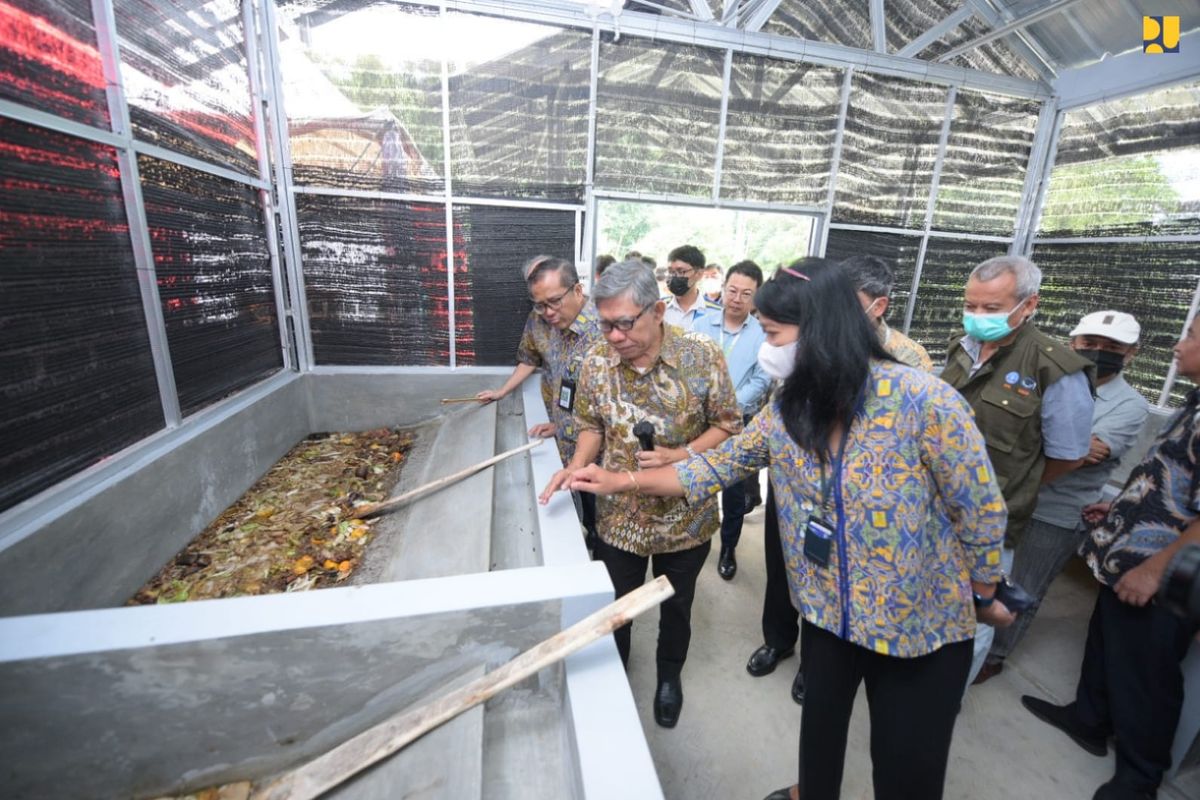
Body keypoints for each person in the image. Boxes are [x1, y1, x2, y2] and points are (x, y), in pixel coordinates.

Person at [568, 258, 1013, 800]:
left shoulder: (924, 401)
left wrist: (984, 592)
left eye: (773, 333)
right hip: (825, 610)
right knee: (820, 734)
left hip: (915, 622)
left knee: (905, 764)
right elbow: (716, 465)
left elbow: (982, 511)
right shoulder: (789, 407)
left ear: (822, 332)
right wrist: (618, 481)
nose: (765, 345)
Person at [538, 259, 742, 729]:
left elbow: (729, 426)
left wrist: (683, 453)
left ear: (657, 311)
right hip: (618, 518)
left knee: (677, 608)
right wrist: (576, 465)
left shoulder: (702, 356)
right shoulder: (596, 360)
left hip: (684, 520)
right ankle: (615, 681)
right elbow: (591, 424)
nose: (613, 337)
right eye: (606, 324)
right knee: (618, 608)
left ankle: (669, 677)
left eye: (624, 324)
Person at [1022, 314, 1200, 800]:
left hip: (1164, 569)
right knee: (1107, 642)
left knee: (1148, 670)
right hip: (1126, 546)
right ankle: (1088, 719)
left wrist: (1153, 569)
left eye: (1189, 335)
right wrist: (1123, 504)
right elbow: (1172, 482)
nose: (1177, 345)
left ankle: (1139, 777)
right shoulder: (1195, 402)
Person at [939, 255, 1095, 686]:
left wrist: (1015, 487)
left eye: (991, 309)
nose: (977, 317)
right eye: (971, 306)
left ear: (1028, 306)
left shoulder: (1054, 369)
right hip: (933, 507)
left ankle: (945, 701)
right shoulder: (960, 346)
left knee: (972, 620)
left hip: (992, 521)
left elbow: (1069, 455)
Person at [977, 311, 1149, 683]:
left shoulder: (1130, 405)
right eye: (1090, 344)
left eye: (1112, 347)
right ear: (1073, 345)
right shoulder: (1049, 377)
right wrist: (1057, 443)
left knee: (1024, 584)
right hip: (1009, 498)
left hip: (1056, 510)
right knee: (987, 574)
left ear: (1131, 353)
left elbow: (1085, 454)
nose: (1098, 352)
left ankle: (995, 654)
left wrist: (1035, 441)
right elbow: (1054, 444)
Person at [476, 256, 604, 543]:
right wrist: (559, 424)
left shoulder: (607, 330)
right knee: (577, 503)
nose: (547, 311)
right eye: (539, 304)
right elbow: (533, 361)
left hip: (604, 448)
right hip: (568, 436)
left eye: (554, 301)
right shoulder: (544, 321)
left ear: (577, 290)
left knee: (601, 510)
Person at [692, 261, 771, 580]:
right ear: (723, 289)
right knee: (695, 478)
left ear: (756, 298)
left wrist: (725, 406)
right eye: (732, 290)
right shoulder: (702, 323)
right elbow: (688, 364)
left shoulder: (762, 335)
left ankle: (728, 547)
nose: (737, 298)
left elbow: (762, 380)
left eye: (746, 293)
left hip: (738, 424)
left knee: (734, 490)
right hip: (697, 419)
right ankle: (692, 538)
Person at [839, 255, 933, 371]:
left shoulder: (907, 356)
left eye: (849, 301)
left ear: (878, 306)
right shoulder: (822, 338)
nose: (838, 307)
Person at [662, 244, 720, 329]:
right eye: (670, 271)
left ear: (699, 274)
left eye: (681, 271)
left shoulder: (716, 313)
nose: (674, 276)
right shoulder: (658, 308)